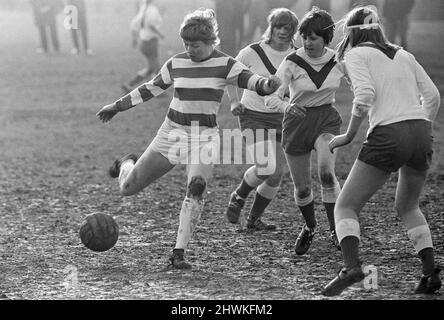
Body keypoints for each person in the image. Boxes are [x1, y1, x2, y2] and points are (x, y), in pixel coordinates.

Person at [96, 8, 282, 270]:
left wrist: (268, 86)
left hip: (204, 139)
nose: (189, 49)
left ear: (210, 43)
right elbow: (150, 88)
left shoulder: (225, 64)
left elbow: (252, 81)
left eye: (194, 45)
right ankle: (127, 163)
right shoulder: (176, 63)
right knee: (127, 189)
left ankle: (178, 253)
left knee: (196, 187)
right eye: (186, 44)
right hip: (172, 134)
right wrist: (116, 106)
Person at [321, 6, 441, 296]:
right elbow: (433, 96)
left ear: (351, 31)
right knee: (408, 206)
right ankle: (430, 273)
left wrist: (348, 136)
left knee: (345, 206)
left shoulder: (355, 54)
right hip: (421, 130)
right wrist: (422, 128)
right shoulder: (404, 53)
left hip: (389, 134)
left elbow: (364, 97)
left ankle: (351, 267)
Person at [265, 7, 347, 254]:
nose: (308, 42)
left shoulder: (338, 59)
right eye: (305, 36)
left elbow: (363, 84)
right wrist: (287, 107)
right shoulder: (292, 61)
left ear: (325, 39)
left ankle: (337, 231)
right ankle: (310, 227)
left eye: (314, 37)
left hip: (325, 120)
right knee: (302, 188)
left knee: (325, 173)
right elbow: (272, 97)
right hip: (296, 121)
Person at [225, 8, 299, 231]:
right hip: (252, 115)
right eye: (279, 27)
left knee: (276, 174)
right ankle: (239, 196)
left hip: (281, 117)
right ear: (271, 27)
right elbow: (230, 76)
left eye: (288, 28)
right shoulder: (251, 52)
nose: (283, 32)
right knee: (266, 167)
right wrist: (234, 102)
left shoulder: (297, 54)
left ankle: (253, 219)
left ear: (294, 32)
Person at [121, 0, 164, 93]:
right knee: (156, 68)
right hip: (151, 42)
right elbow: (151, 24)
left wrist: (134, 38)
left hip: (144, 42)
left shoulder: (144, 8)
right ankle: (156, 91)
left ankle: (129, 85)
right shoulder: (152, 10)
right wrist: (160, 34)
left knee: (151, 68)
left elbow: (134, 24)